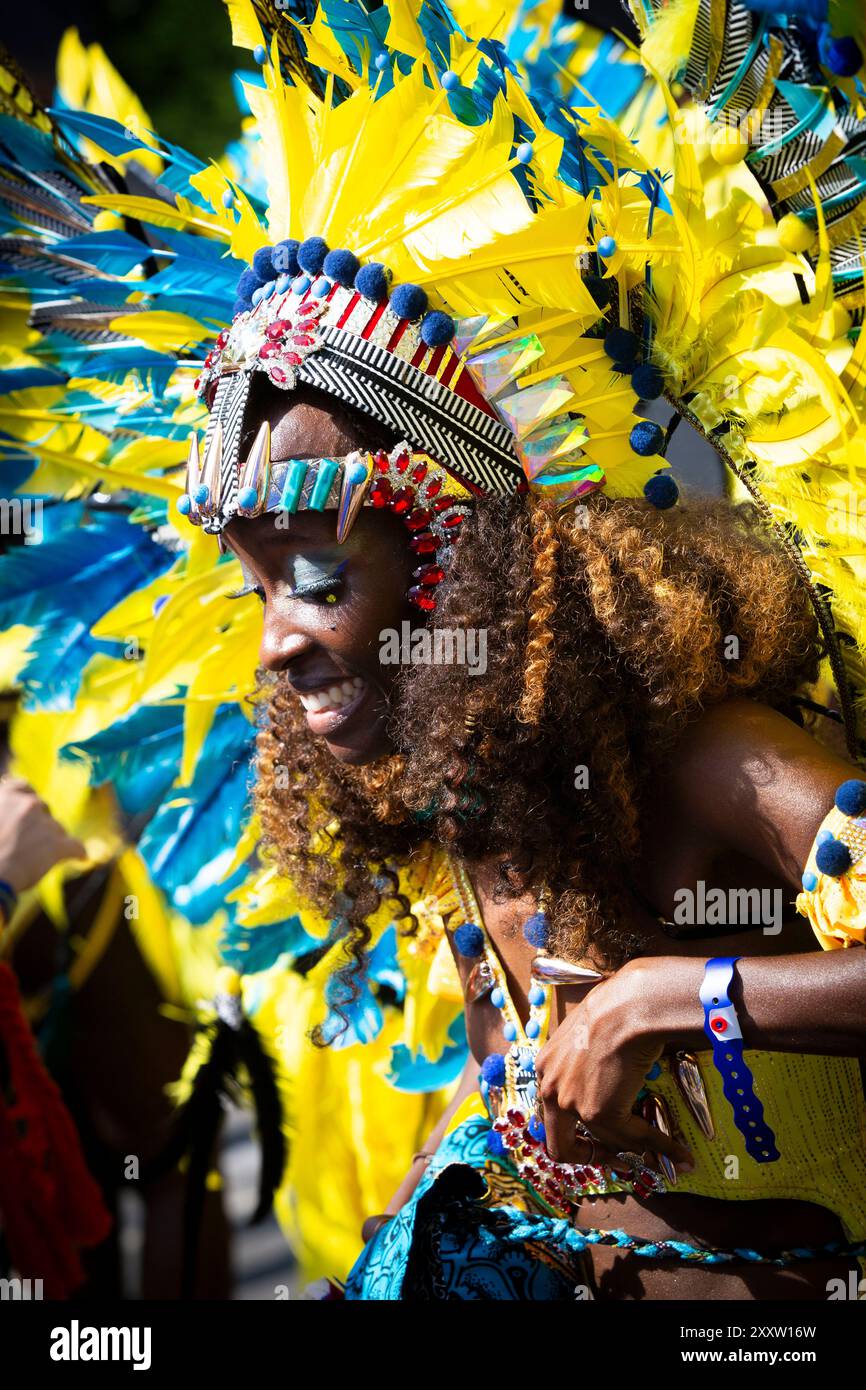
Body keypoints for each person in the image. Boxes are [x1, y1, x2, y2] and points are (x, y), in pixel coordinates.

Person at [4, 0, 866, 1298]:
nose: (279, 645)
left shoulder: (699, 759)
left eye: (314, 571)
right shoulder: (455, 826)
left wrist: (660, 997)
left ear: (458, 556)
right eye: (253, 591)